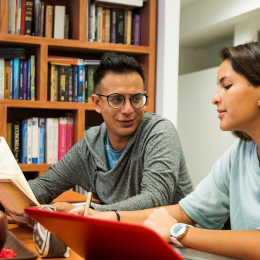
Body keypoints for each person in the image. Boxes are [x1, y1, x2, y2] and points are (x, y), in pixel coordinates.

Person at [69, 42, 260, 259]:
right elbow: (185, 211)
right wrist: (104, 217)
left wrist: (177, 231)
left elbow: (171, 217)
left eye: (226, 86)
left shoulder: (159, 130)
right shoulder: (240, 153)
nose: (215, 98)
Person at [27, 52, 193, 213]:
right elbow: (45, 185)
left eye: (136, 99)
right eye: (116, 99)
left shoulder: (159, 132)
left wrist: (88, 211)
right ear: (97, 103)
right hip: (119, 235)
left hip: (175, 238)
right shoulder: (90, 146)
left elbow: (156, 199)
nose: (128, 109)